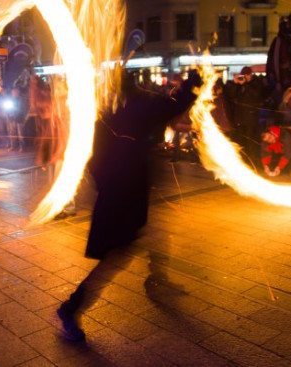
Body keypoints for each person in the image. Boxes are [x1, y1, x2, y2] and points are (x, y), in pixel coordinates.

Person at [56, 69, 200, 342]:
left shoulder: (105, 113)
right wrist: (190, 85)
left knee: (151, 233)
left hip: (122, 192)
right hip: (123, 196)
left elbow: (93, 161)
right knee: (117, 255)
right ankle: (71, 307)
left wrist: (108, 184)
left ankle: (157, 277)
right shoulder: (134, 106)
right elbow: (170, 106)